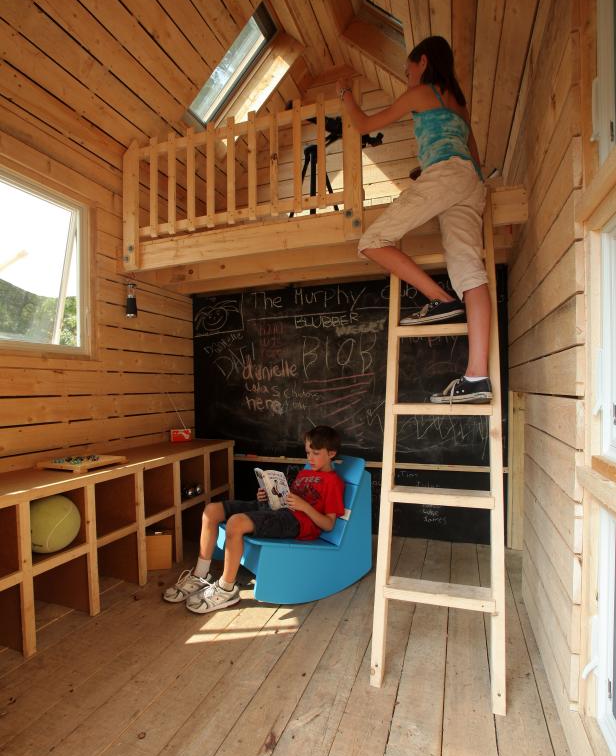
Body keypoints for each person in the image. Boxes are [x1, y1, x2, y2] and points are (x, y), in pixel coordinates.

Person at [338, 35, 491, 404]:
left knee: (371, 241)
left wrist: (345, 96)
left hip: (448, 176)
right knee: (471, 274)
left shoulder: (424, 92)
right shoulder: (457, 104)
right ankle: (477, 377)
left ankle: (439, 299)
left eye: (408, 70)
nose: (408, 77)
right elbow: (467, 154)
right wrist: (427, 172)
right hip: (470, 182)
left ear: (423, 62)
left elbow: (362, 124)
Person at [163, 425, 345, 613]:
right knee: (211, 510)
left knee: (235, 523)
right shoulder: (306, 473)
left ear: (331, 453)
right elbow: (288, 499)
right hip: (278, 510)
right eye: (307, 452)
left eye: (315, 453)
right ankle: (200, 574)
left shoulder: (333, 482)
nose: (309, 458)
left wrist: (304, 506)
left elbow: (329, 524)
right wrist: (269, 495)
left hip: (294, 522)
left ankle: (226, 589)